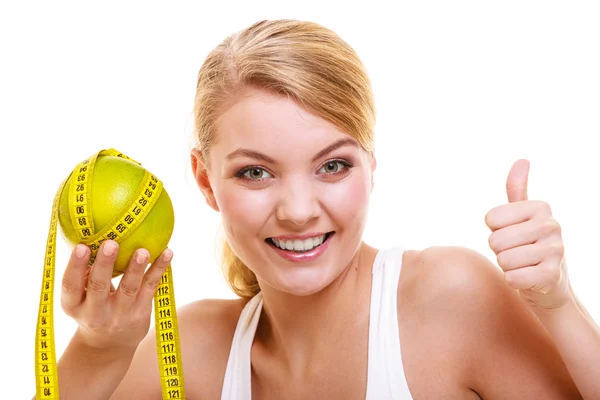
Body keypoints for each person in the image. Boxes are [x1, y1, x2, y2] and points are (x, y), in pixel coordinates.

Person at [40, 19, 599, 399]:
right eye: (255, 172)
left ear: (371, 163)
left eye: (332, 165)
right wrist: (100, 346)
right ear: (205, 181)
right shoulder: (196, 352)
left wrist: (559, 306)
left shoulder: (450, 300)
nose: (300, 210)